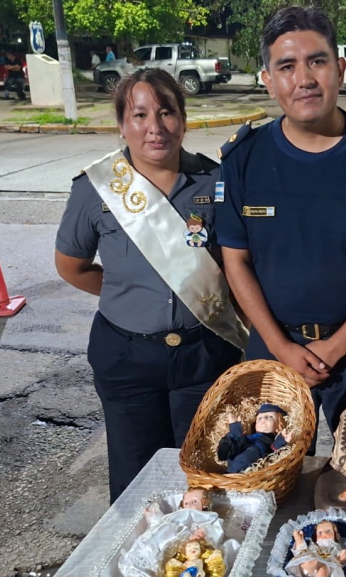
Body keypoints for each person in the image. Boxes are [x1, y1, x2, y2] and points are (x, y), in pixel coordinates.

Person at [214, 6, 346, 444]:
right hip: (274, 346)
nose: (304, 79)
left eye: (317, 61)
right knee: (264, 479)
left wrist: (335, 348)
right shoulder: (244, 160)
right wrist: (282, 347)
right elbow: (236, 262)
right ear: (268, 80)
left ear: (340, 69)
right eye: (287, 66)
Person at [54, 68, 245, 503]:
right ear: (122, 124)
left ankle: (201, 561)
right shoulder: (95, 190)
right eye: (139, 115)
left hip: (205, 353)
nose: (155, 128)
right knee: (135, 480)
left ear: (184, 118)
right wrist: (128, 294)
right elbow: (72, 266)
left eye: (166, 113)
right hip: (127, 358)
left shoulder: (214, 183)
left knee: (205, 472)